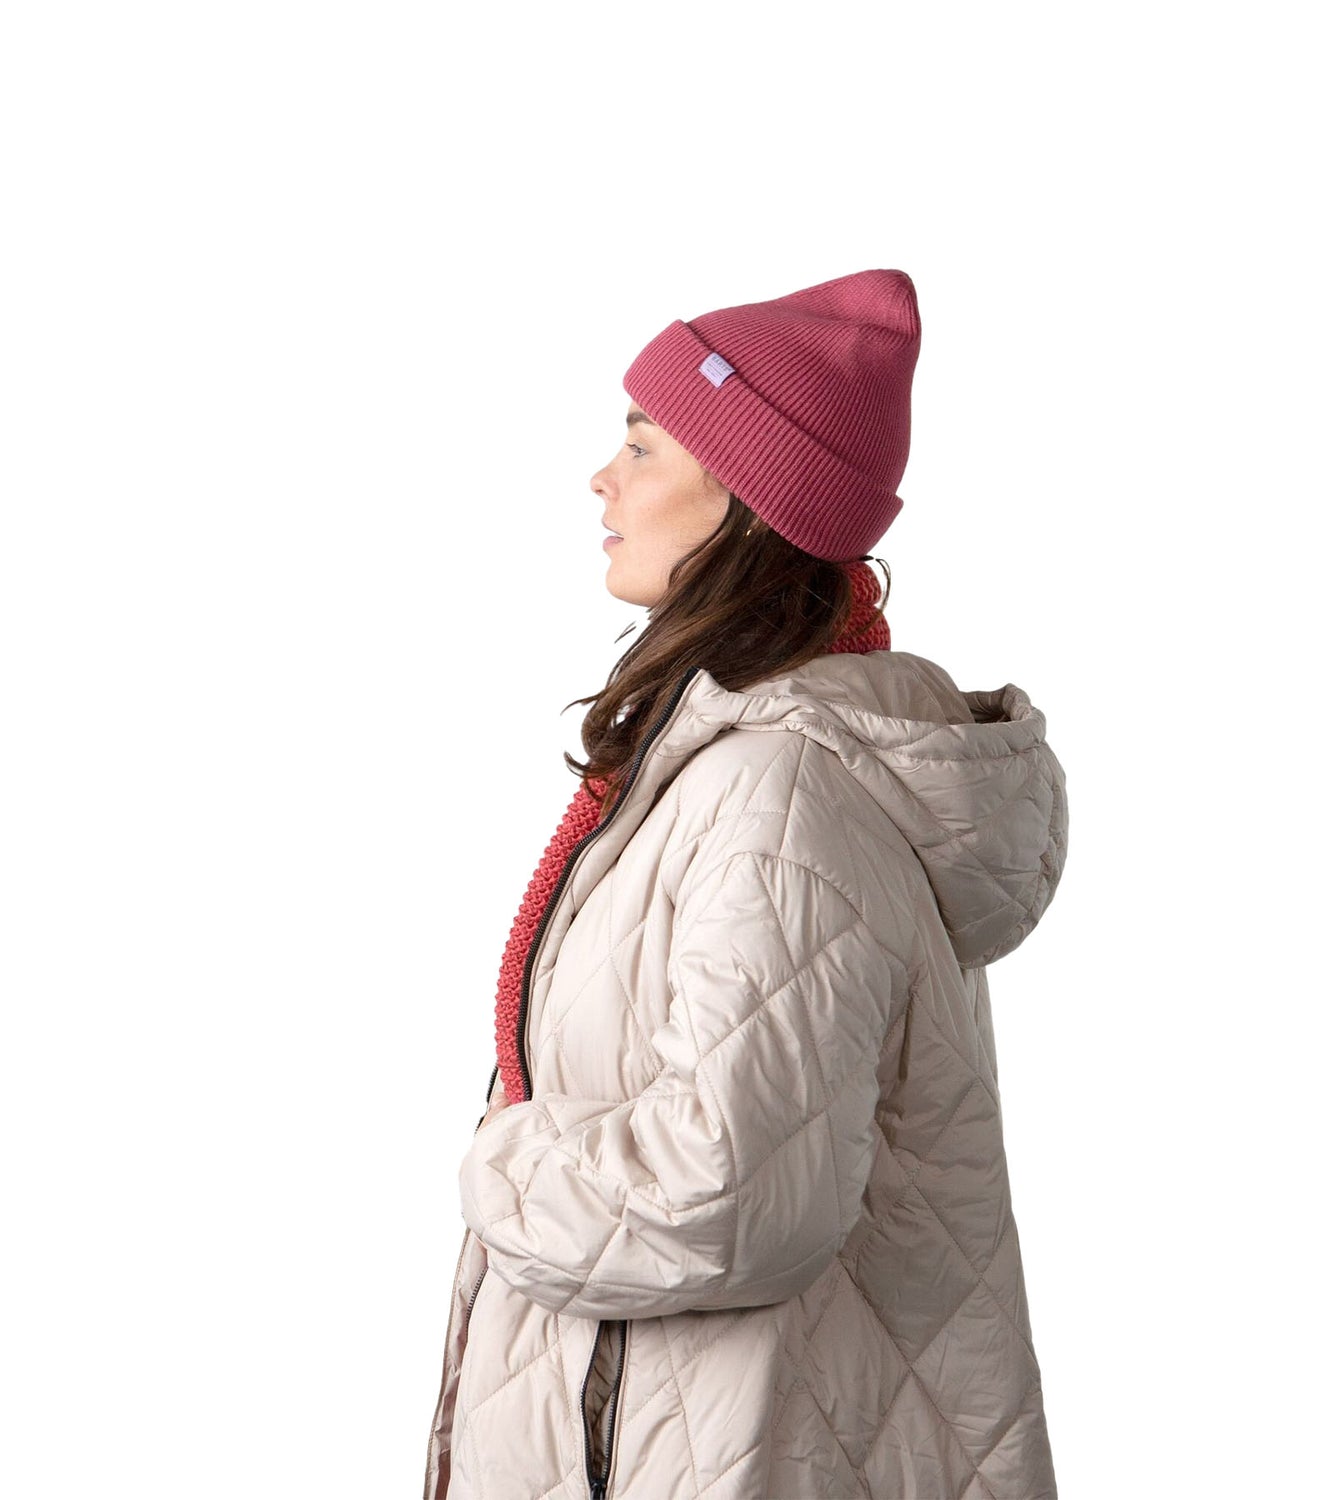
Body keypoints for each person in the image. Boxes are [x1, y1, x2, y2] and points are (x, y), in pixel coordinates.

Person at [424, 269, 1069, 1500]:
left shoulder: (779, 795)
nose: (602, 480)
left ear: (746, 499)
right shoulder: (727, 768)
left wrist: (501, 1165)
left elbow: (723, 1193)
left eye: (641, 445)